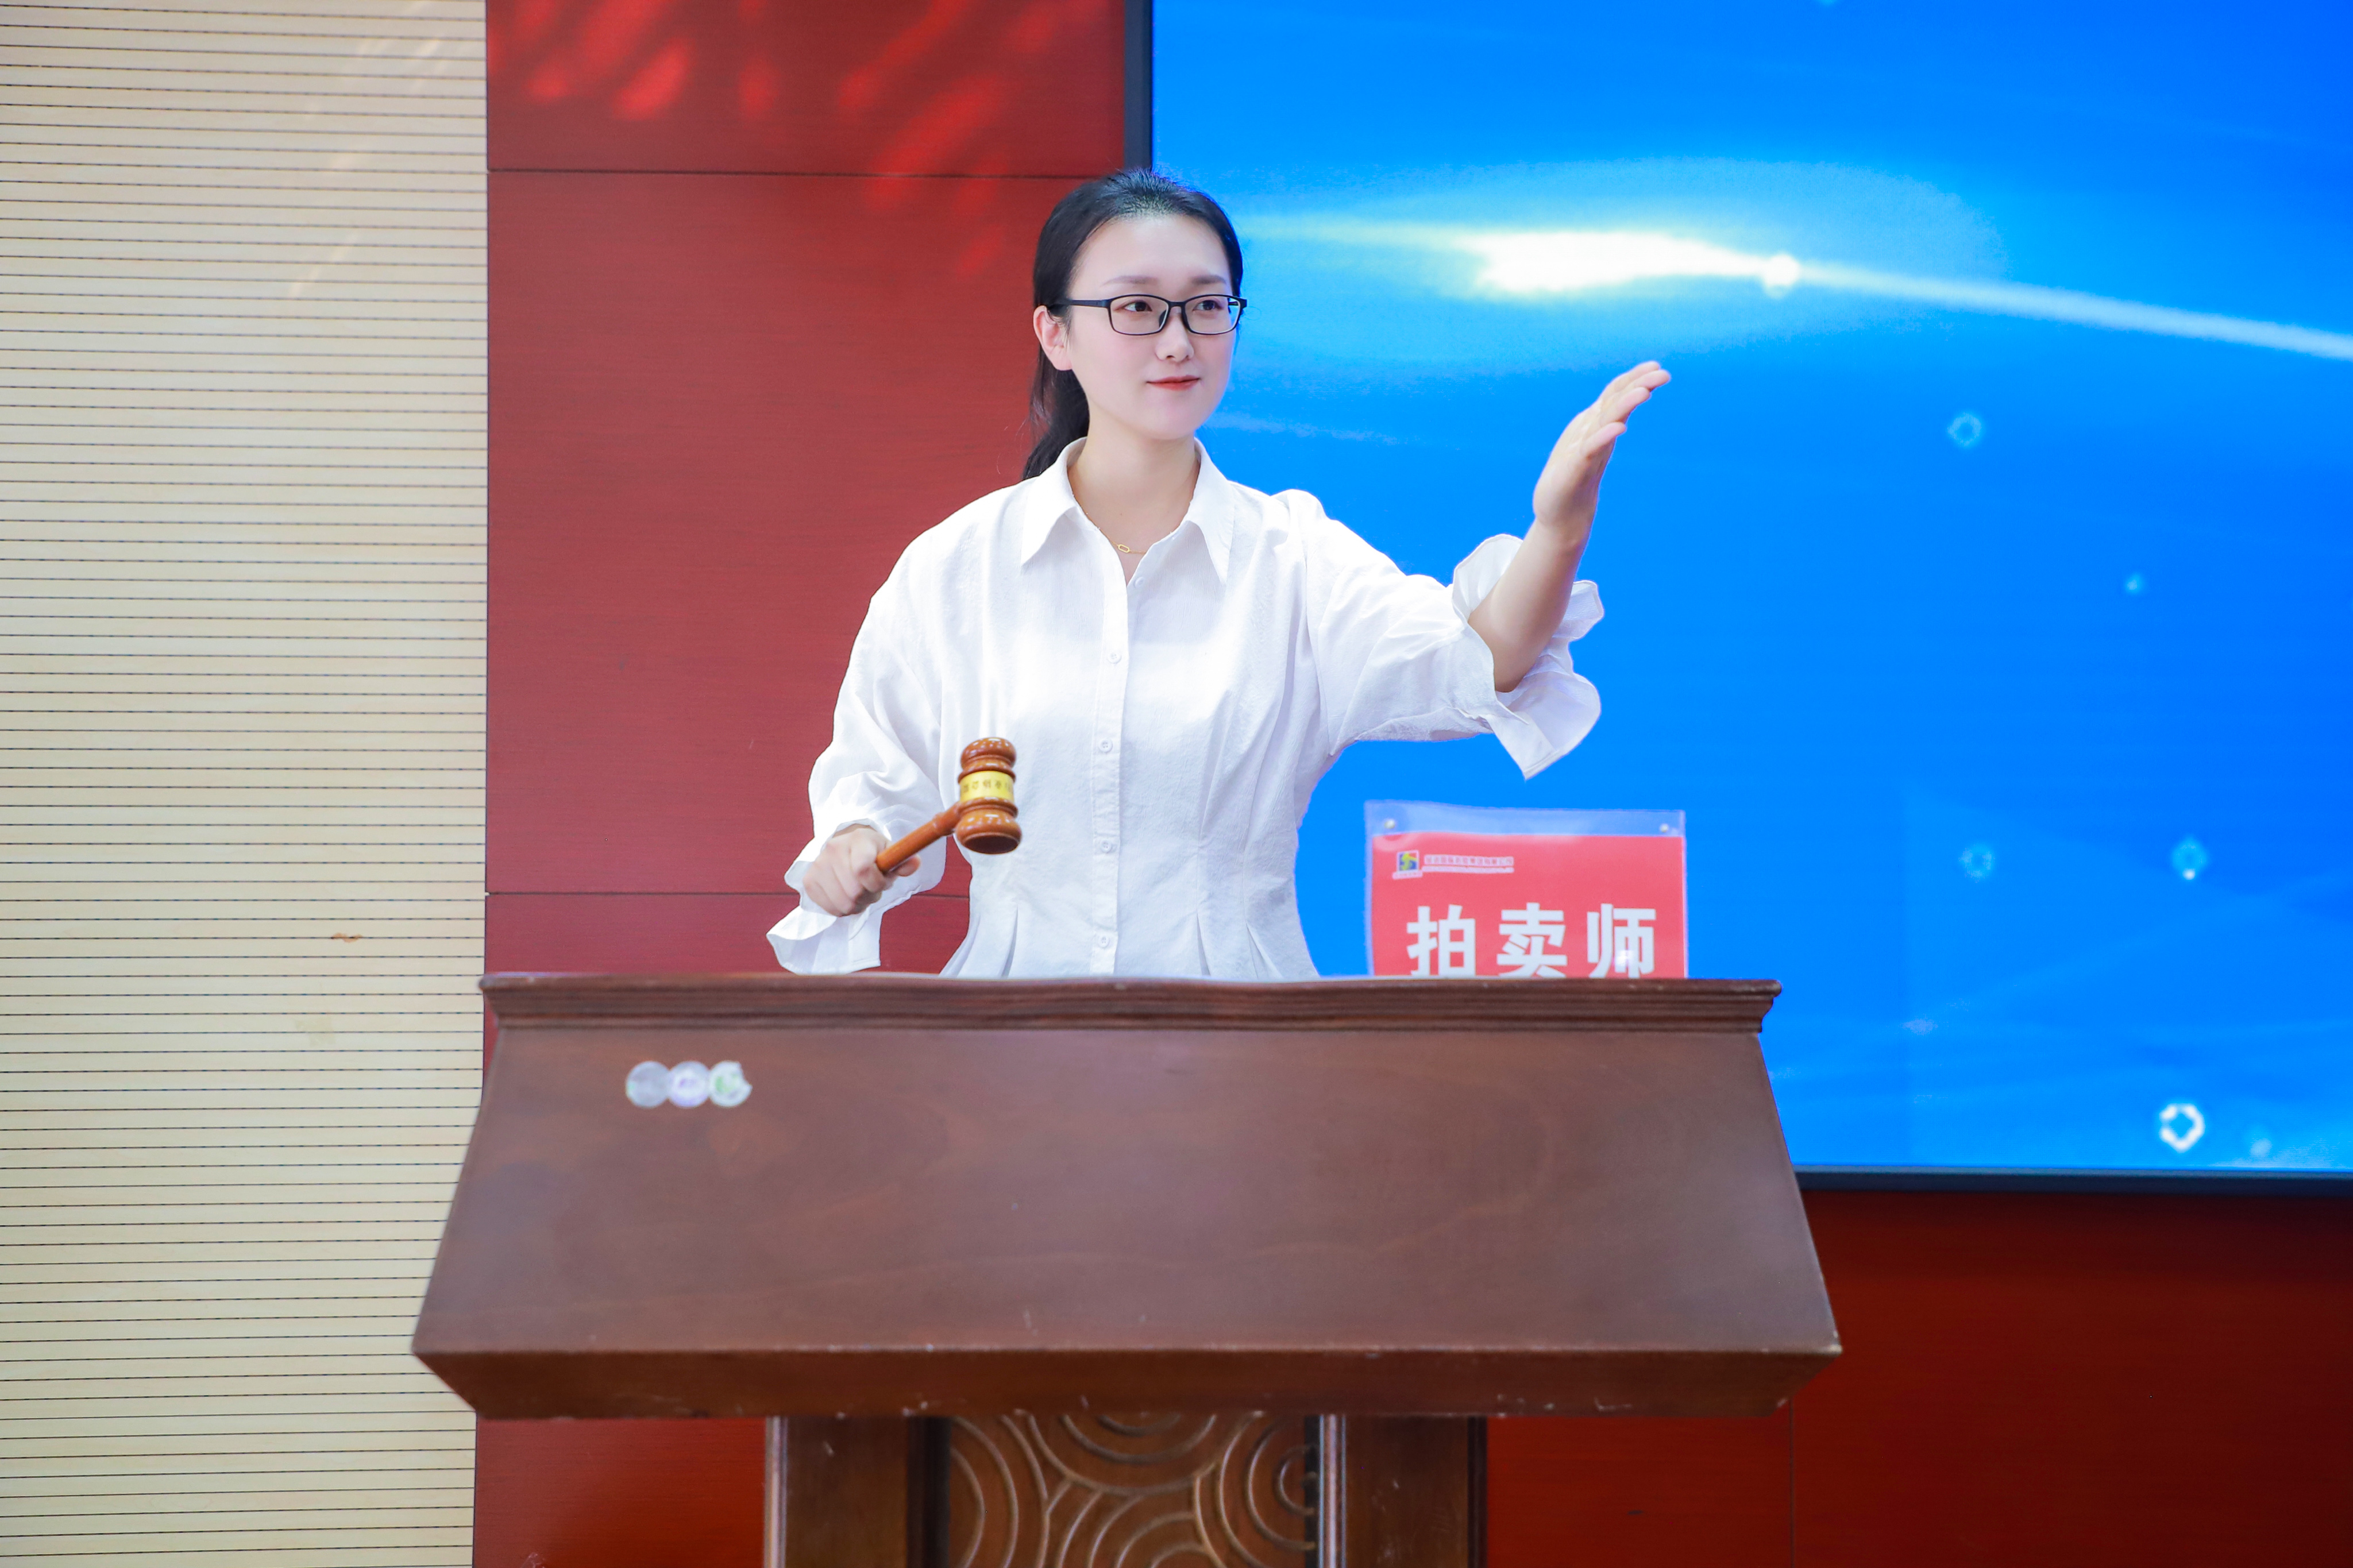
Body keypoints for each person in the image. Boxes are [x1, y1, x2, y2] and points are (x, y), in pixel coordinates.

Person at [769, 170, 1667, 978]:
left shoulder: (1294, 557)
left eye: (1205, 306)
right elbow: (876, 784)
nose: (1177, 341)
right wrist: (852, 848)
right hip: (1010, 1055)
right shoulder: (957, 568)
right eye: (1137, 307)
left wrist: (1559, 527)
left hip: (1247, 1054)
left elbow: (1481, 663)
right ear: (1056, 333)